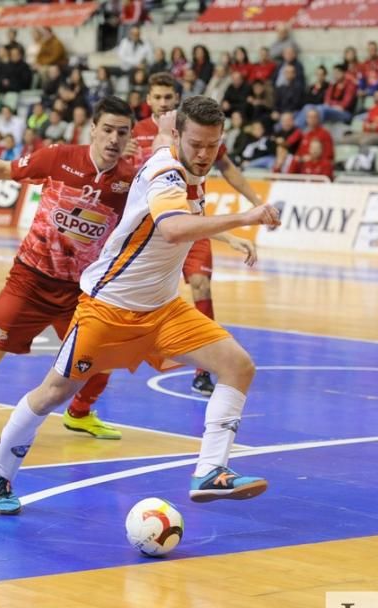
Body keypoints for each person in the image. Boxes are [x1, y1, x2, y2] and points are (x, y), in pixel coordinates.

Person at [0, 100, 282, 515]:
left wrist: (165, 124)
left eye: (212, 146)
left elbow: (162, 134)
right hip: (110, 308)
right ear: (179, 139)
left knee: (238, 365)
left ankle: (211, 470)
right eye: (195, 144)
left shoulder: (174, 150)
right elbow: (174, 229)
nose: (203, 154)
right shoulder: (164, 175)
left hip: (163, 310)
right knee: (55, 392)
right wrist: (242, 218)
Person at [0, 97, 140, 452]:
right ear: (93, 130)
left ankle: (79, 414)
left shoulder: (131, 181)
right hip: (30, 280)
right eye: (108, 130)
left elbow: (164, 216)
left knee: (104, 356)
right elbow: (6, 170)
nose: (113, 139)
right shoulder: (59, 157)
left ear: (130, 136)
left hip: (80, 291)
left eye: (122, 132)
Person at [129, 73, 260, 396]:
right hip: (148, 228)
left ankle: (205, 370)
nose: (163, 103)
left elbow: (226, 167)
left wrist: (257, 202)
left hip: (190, 220)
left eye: (168, 97)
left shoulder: (195, 129)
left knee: (201, 285)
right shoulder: (135, 133)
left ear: (177, 99)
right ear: (148, 100)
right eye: (157, 97)